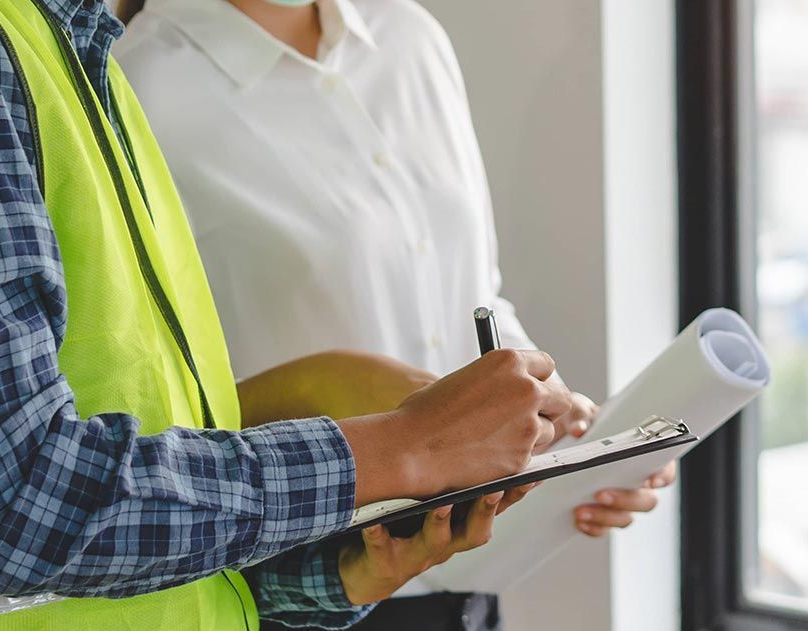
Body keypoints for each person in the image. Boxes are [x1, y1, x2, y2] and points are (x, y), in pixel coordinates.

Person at [0, 0, 575, 629]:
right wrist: (397, 448)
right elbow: (4, 501)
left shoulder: (79, 54)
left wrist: (340, 572)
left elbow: (145, 459)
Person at [112, 0, 678, 628]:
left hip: (467, 569)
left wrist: (564, 431)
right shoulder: (138, 82)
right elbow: (155, 392)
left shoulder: (410, 36)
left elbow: (477, 295)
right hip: (310, 583)